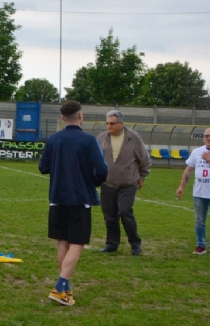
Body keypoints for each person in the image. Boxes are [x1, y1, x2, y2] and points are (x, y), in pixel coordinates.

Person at [38, 101, 108, 306]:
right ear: (81, 116)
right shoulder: (88, 141)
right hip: (80, 199)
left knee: (62, 242)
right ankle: (60, 286)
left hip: (57, 198)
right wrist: (91, 183)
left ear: (62, 118)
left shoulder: (53, 139)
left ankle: (66, 289)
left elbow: (43, 167)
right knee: (77, 243)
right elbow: (102, 171)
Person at [95, 110, 152, 255]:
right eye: (107, 123)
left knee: (125, 212)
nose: (109, 126)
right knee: (109, 216)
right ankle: (111, 244)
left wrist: (142, 176)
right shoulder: (101, 138)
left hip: (127, 184)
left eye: (112, 123)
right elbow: (95, 159)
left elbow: (144, 159)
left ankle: (135, 243)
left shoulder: (133, 138)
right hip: (107, 183)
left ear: (121, 123)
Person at [175, 127, 210, 259]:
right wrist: (181, 186)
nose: (209, 138)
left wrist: (209, 159)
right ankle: (200, 245)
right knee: (199, 220)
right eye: (207, 136)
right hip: (199, 192)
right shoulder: (197, 152)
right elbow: (189, 170)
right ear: (203, 138)